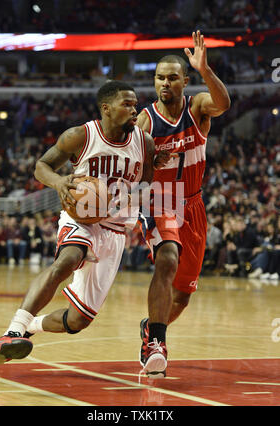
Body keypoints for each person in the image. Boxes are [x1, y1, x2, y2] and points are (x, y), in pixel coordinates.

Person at [0, 80, 156, 364]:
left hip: (115, 229)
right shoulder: (81, 135)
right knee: (67, 259)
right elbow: (41, 166)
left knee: (79, 320)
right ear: (106, 108)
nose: (133, 109)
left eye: (135, 104)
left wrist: (129, 197)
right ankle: (12, 330)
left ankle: (30, 327)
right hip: (81, 218)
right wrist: (59, 182)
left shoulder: (145, 142)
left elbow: (147, 181)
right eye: (126, 104)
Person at [137, 31, 231, 377]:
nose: (165, 82)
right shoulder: (145, 122)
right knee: (167, 259)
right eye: (160, 77)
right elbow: (132, 171)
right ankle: (156, 344)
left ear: (184, 80)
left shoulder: (197, 108)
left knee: (183, 296)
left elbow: (223, 104)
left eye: (172, 77)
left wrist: (206, 69)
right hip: (160, 201)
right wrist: (149, 163)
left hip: (193, 204)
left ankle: (151, 327)